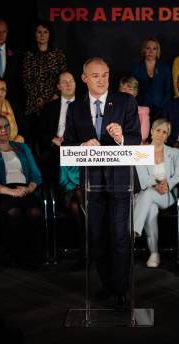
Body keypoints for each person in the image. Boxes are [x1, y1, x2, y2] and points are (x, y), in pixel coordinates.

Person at [63, 57, 141, 311]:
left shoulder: (125, 101)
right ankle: (108, 285)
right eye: (96, 76)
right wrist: (82, 145)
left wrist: (120, 138)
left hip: (120, 182)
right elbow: (67, 146)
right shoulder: (75, 108)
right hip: (92, 183)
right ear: (84, 78)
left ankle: (121, 290)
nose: (102, 80)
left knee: (119, 236)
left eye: (105, 74)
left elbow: (135, 139)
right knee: (97, 237)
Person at [0, 114, 43, 268]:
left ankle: (34, 255)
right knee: (15, 212)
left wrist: (29, 188)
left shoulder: (22, 147)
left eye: (6, 126)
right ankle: (17, 255)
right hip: (2, 192)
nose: (3, 130)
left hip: (25, 189)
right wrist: (9, 191)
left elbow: (36, 174)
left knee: (35, 213)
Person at [134, 119, 179, 268]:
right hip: (147, 194)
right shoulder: (141, 152)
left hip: (166, 195)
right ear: (151, 131)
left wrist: (167, 184)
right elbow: (142, 178)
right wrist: (156, 184)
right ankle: (154, 253)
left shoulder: (174, 152)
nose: (161, 134)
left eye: (164, 132)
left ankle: (132, 231)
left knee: (149, 196)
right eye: (158, 130)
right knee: (151, 208)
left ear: (167, 136)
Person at [22, 20, 67, 119]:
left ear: (50, 34)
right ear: (35, 34)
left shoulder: (58, 55)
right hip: (34, 104)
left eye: (45, 32)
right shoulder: (29, 56)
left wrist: (55, 95)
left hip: (55, 101)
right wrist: (38, 99)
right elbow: (27, 80)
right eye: (39, 32)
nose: (42, 35)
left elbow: (64, 78)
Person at [37, 71, 76, 184]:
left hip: (78, 148)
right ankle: (60, 197)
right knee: (45, 161)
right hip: (56, 147)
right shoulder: (49, 107)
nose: (68, 85)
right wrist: (53, 139)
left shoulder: (85, 105)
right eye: (64, 82)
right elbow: (40, 131)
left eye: (71, 81)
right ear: (58, 86)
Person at [130, 37, 172, 118]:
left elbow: (168, 91)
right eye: (148, 48)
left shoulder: (165, 68)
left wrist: (162, 108)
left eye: (154, 49)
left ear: (157, 51)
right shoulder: (136, 69)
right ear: (144, 50)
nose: (151, 51)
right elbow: (133, 91)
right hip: (141, 110)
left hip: (161, 110)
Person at [119, 75, 150, 143]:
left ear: (135, 92)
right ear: (120, 91)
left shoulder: (143, 112)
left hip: (135, 147)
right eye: (124, 88)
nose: (126, 92)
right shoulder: (113, 110)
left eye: (130, 89)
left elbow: (143, 136)